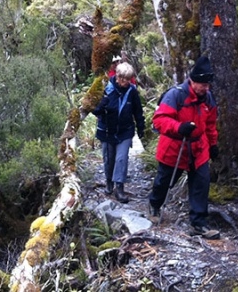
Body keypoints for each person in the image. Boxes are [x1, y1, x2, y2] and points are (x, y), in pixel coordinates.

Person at [148, 56, 220, 239]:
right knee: (164, 181)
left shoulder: (208, 98)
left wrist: (213, 145)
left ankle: (199, 223)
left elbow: (210, 124)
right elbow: (159, 120)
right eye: (203, 84)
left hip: (199, 149)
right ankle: (155, 205)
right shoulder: (176, 95)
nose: (206, 88)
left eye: (208, 85)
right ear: (193, 81)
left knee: (201, 184)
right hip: (175, 148)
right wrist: (179, 127)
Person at [93, 62, 145, 203]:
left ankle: (119, 188)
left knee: (121, 159)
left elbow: (137, 111)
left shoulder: (132, 91)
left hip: (125, 131)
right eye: (123, 79)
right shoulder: (106, 88)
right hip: (107, 131)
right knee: (109, 160)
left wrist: (141, 127)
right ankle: (109, 182)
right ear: (117, 76)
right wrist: (102, 103)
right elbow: (94, 110)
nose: (125, 82)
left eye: (128, 79)